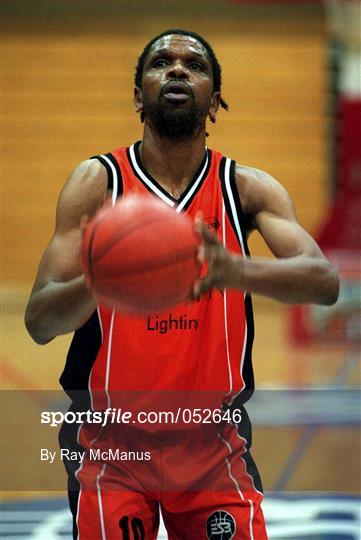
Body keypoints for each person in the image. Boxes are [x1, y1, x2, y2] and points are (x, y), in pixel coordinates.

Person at [25, 29, 339, 540]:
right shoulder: (97, 182)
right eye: (161, 63)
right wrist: (102, 283)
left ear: (214, 102)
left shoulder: (245, 188)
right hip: (113, 449)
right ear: (137, 96)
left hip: (213, 447)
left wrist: (233, 270)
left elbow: (324, 282)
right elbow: (39, 321)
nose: (176, 70)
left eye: (194, 65)